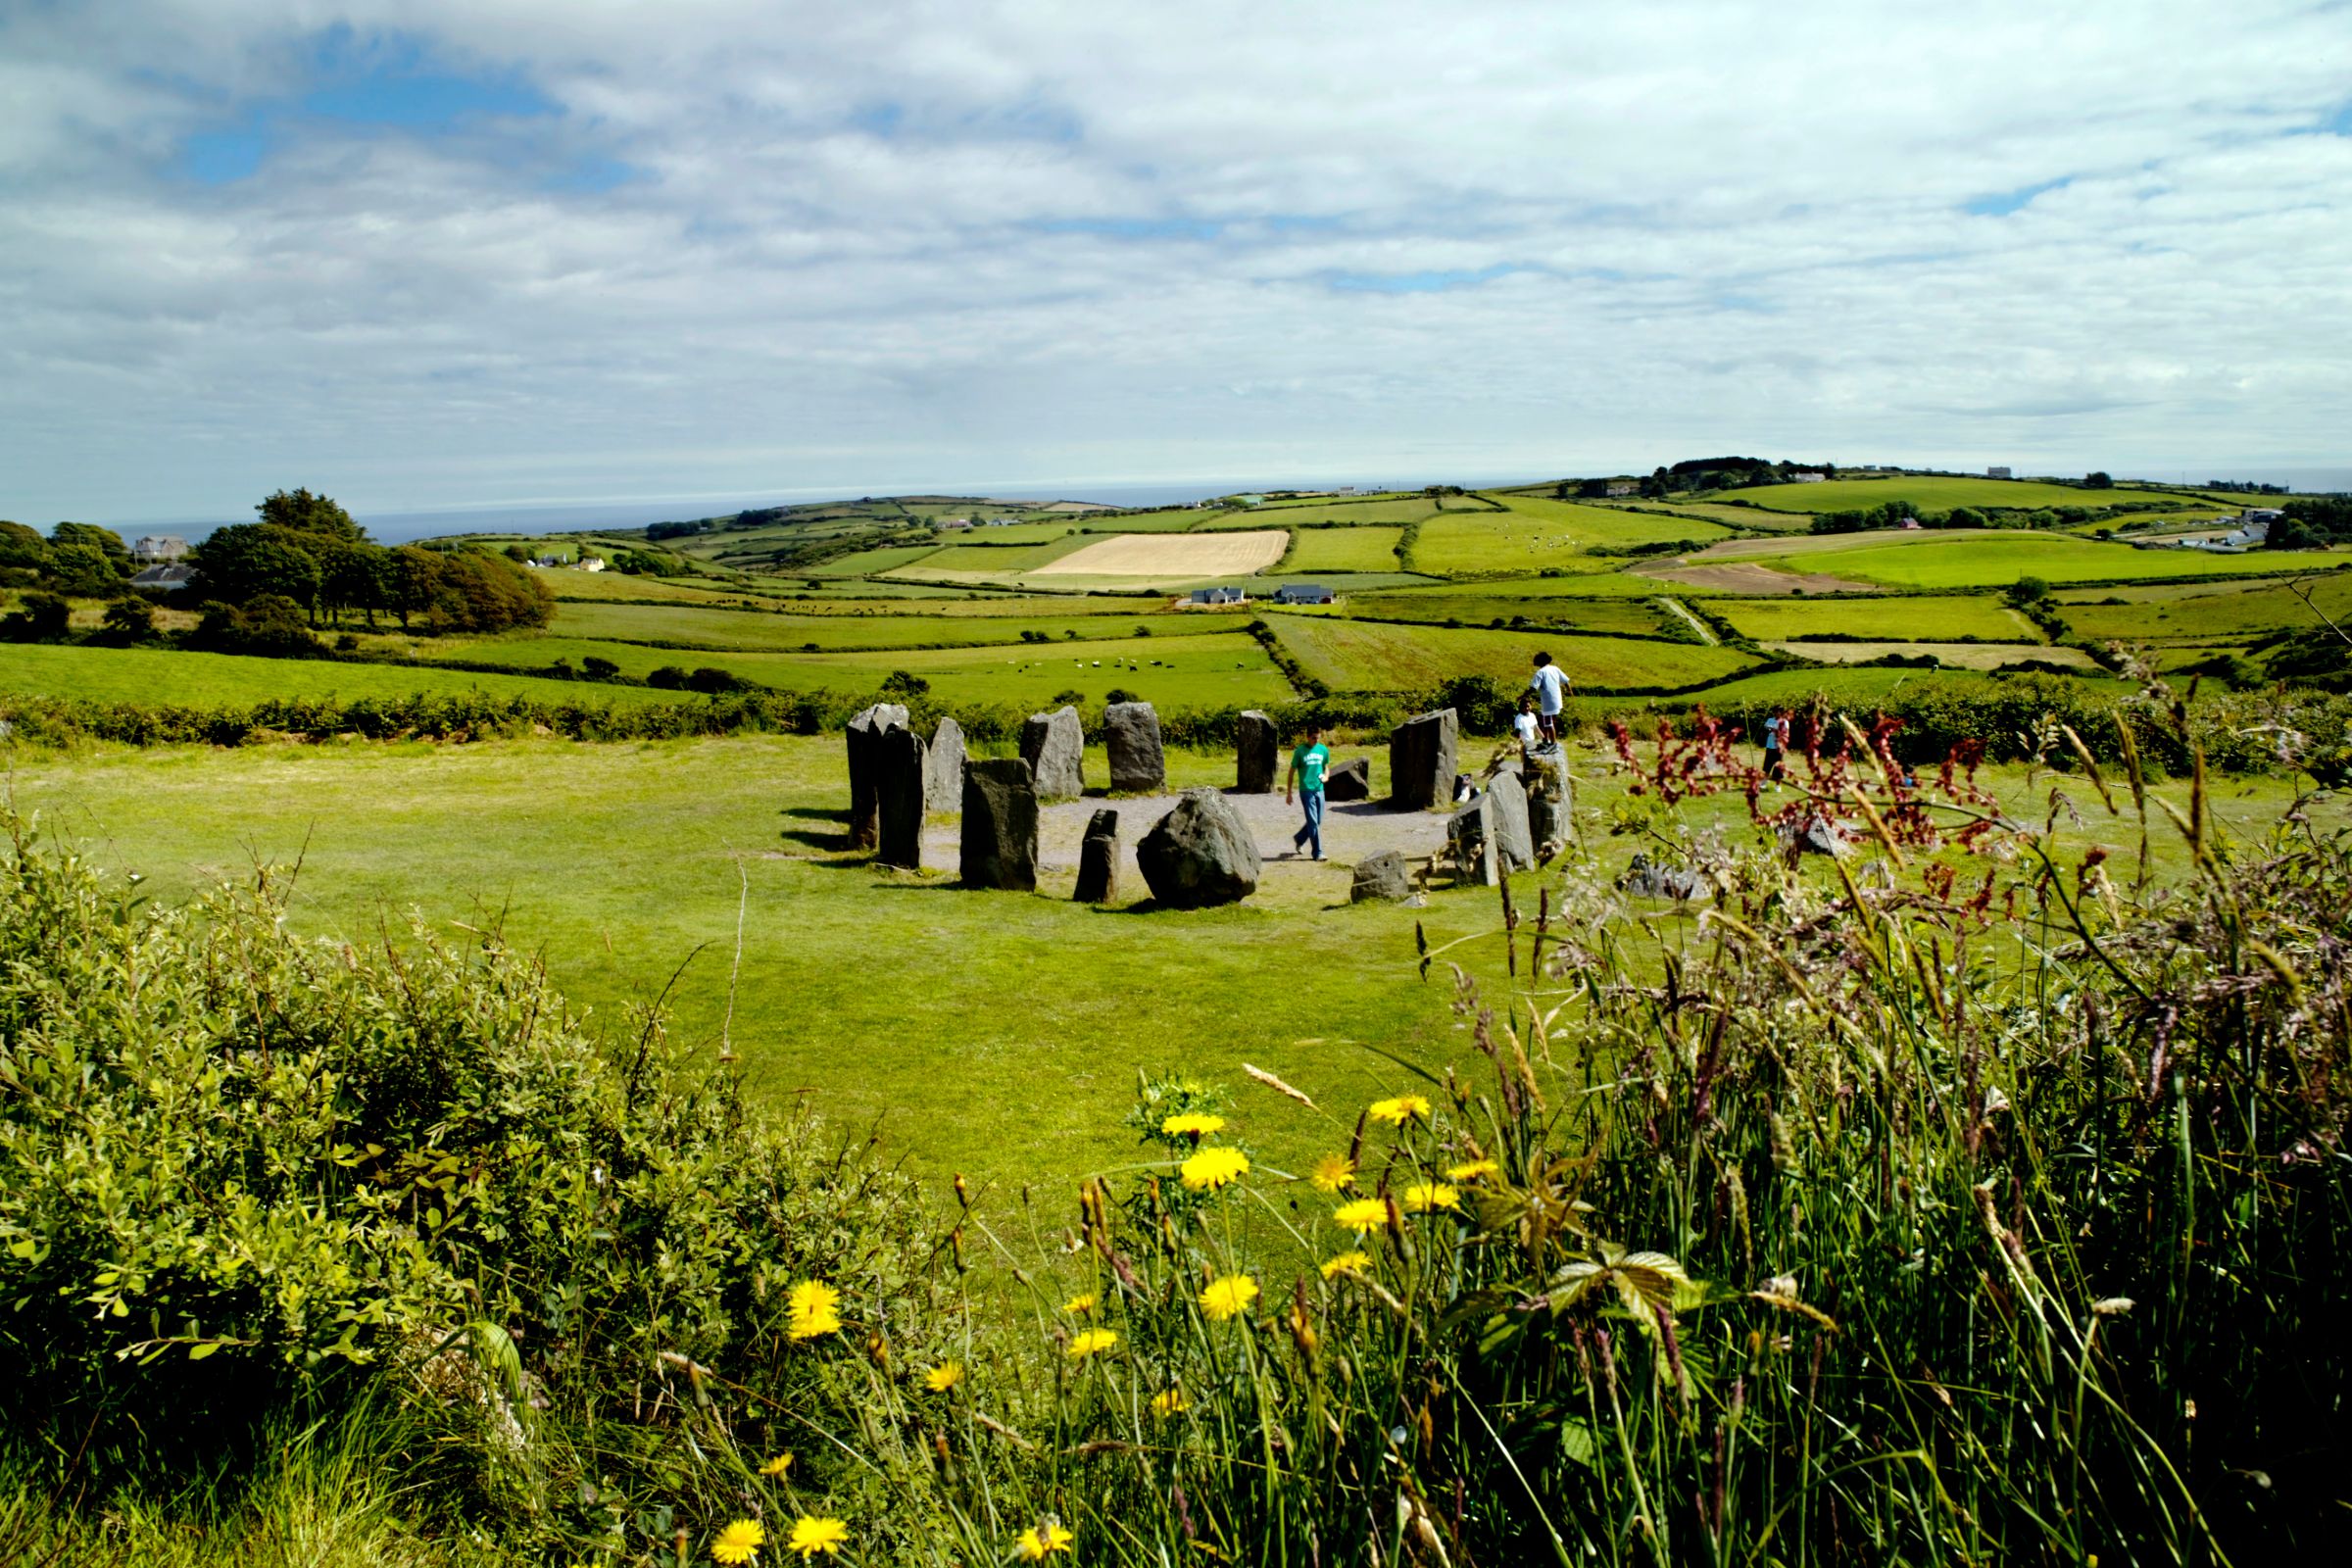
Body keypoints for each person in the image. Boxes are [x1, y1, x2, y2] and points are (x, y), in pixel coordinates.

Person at [1285, 722, 1331, 860]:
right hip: (1306, 790)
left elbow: (1326, 766)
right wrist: (1289, 793)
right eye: (1313, 738)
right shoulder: (1299, 751)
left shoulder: (1323, 750)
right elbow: (1291, 772)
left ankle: (1299, 838)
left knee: (1318, 820)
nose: (1316, 741)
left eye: (1318, 738)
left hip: (1319, 789)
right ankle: (1317, 853)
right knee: (1312, 822)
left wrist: (1326, 776)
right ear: (1307, 737)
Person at [1528, 652, 1570, 744]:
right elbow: (1565, 681)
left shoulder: (1540, 672)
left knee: (1548, 723)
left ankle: (1553, 743)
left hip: (1548, 702)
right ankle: (1545, 739)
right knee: (1549, 722)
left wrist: (1523, 695)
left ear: (1540, 661)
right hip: (1557, 701)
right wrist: (1569, 691)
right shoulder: (1555, 669)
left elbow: (1533, 688)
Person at [1761, 709, 1788, 783]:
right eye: (1775, 711)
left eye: (1777, 712)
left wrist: (1775, 729)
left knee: (1778, 767)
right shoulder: (1770, 720)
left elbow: (1785, 732)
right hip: (1770, 745)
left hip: (1779, 747)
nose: (1776, 713)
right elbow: (1766, 727)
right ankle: (1764, 782)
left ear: (1781, 712)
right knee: (1767, 765)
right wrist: (1772, 728)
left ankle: (1778, 785)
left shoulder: (1784, 722)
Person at [1512, 696, 1540, 760]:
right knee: (1525, 762)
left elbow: (1537, 729)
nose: (1527, 708)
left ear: (1531, 706)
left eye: (1528, 706)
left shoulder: (1532, 715)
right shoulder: (1519, 718)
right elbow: (1517, 734)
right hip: (1524, 745)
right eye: (1525, 706)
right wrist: (1522, 746)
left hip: (1532, 743)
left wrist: (1544, 739)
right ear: (1521, 707)